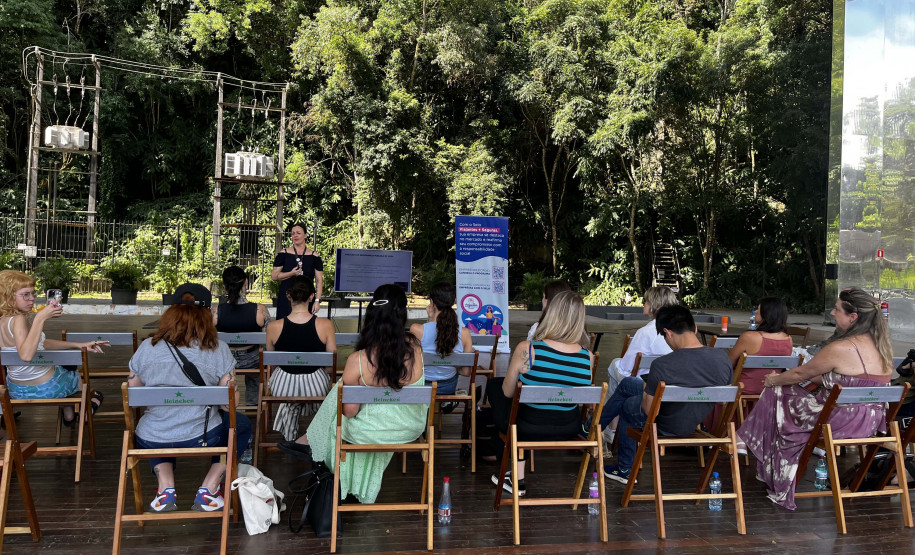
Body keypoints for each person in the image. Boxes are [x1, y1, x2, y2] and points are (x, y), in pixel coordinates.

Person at [736, 287, 893, 510]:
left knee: (777, 394)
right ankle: (762, 459)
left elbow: (801, 373)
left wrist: (773, 380)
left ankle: (760, 456)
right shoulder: (883, 347)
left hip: (835, 424)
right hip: (869, 424)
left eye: (836, 309)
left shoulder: (841, 347)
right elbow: (848, 383)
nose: (831, 313)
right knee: (787, 394)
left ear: (853, 317)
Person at [283, 284, 427, 504]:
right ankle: (311, 440)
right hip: (411, 428)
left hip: (369, 432)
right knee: (343, 390)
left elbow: (350, 413)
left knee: (337, 417)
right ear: (402, 315)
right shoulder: (416, 349)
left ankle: (327, 461)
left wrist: (344, 393)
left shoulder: (358, 360)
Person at [127, 283, 252, 513]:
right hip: (202, 436)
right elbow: (228, 405)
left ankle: (166, 488)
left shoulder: (147, 347)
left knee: (158, 428)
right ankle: (210, 487)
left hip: (151, 437)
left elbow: (132, 391)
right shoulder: (218, 349)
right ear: (206, 315)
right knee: (240, 425)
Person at [601, 305, 732, 484]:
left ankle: (624, 468)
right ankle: (594, 426)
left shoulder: (663, 365)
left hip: (667, 424)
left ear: (668, 333)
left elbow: (648, 410)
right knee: (629, 384)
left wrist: (650, 389)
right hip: (696, 417)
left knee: (628, 404)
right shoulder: (722, 358)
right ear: (694, 328)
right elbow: (723, 398)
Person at [489, 291, 593, 497]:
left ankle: (515, 476)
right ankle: (514, 475)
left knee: (498, 389)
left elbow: (508, 392)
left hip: (528, 427)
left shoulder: (528, 349)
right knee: (524, 406)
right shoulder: (587, 357)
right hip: (569, 427)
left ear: (552, 314)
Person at [0, 270, 105, 422]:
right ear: (8, 296)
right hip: (47, 388)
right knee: (76, 375)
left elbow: (40, 343)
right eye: (25, 295)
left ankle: (69, 412)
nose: (32, 299)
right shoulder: (18, 320)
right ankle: (85, 407)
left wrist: (79, 345)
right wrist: (40, 318)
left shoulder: (3, 320)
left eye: (33, 294)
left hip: (15, 390)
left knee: (64, 368)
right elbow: (26, 355)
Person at [261, 276, 335, 454]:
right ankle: (313, 436)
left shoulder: (274, 326)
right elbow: (330, 366)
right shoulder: (325, 325)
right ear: (311, 296)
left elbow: (272, 363)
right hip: (316, 386)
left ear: (288, 296)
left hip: (282, 387)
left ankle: (290, 437)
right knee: (324, 389)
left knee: (290, 392)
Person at [214, 266, 270, 408]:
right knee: (261, 362)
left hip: (224, 361)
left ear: (224, 286)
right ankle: (253, 407)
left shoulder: (216, 311)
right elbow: (267, 342)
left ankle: (222, 406)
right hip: (252, 361)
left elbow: (210, 340)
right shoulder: (260, 310)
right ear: (246, 283)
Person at [410, 282, 473, 395]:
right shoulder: (464, 333)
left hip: (423, 388)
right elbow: (466, 371)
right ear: (454, 301)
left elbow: (411, 365)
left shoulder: (416, 330)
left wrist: (429, 319)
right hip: (448, 388)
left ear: (432, 302)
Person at [728, 297, 793, 394]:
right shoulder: (789, 339)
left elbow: (728, 364)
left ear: (767, 313)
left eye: (758, 309)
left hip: (742, 391)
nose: (756, 312)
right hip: (771, 391)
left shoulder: (749, 337)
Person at [271, 222, 323, 320]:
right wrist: (291, 273)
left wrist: (317, 301)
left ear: (305, 235)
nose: (295, 235)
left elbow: (319, 281)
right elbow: (274, 276)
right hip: (287, 297)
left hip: (306, 298)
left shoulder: (314, 256)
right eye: (293, 233)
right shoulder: (283, 254)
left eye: (298, 233)